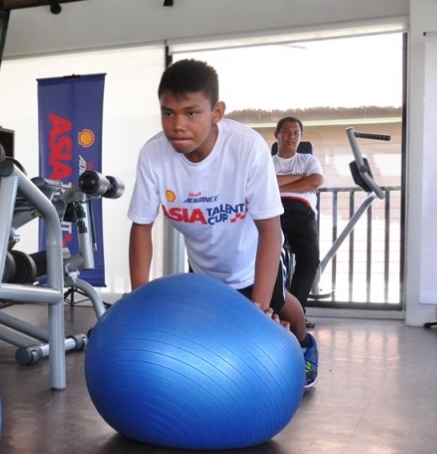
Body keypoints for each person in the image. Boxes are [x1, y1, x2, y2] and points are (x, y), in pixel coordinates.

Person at [127, 59, 318, 389]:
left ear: (217, 112)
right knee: (210, 330)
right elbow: (142, 225)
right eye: (168, 112)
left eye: (191, 112)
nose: (177, 125)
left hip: (253, 260)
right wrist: (138, 299)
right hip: (204, 269)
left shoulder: (247, 148)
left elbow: (270, 228)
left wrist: (258, 310)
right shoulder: (153, 155)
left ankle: (305, 348)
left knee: (281, 305)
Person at [272, 116, 324, 327]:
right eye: (286, 132)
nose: (291, 136)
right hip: (274, 212)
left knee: (310, 259)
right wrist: (299, 180)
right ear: (277, 135)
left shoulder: (308, 160)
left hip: (302, 212)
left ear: (301, 137)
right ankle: (275, 310)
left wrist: (278, 186)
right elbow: (266, 183)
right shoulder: (267, 162)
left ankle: (295, 313)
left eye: (295, 133)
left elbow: (316, 180)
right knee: (269, 258)